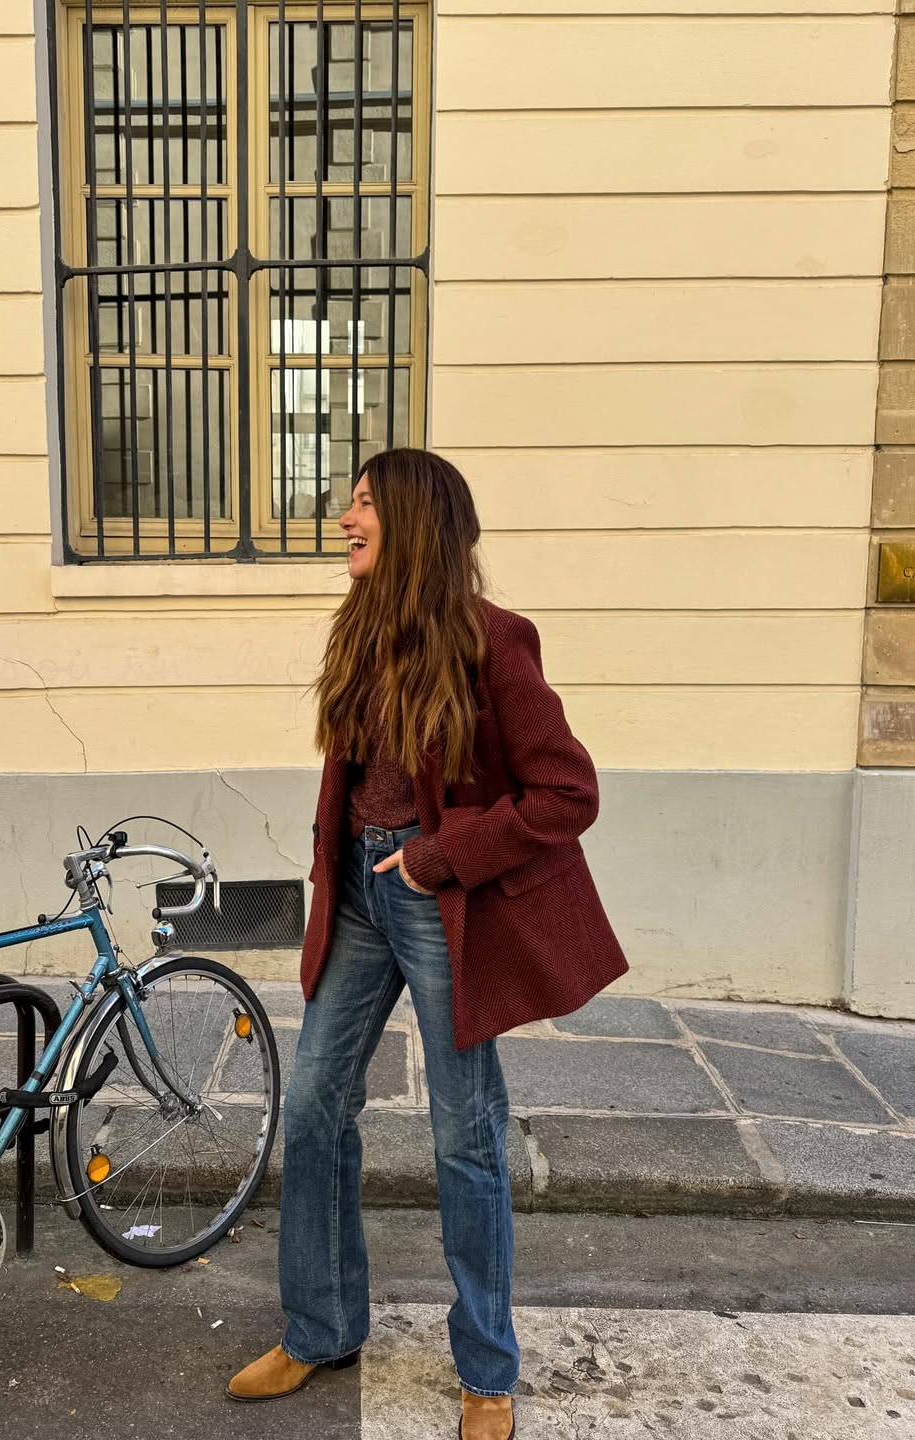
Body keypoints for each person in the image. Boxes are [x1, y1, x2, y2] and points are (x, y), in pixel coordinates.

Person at [225, 448, 628, 1439]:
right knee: (314, 1105)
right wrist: (358, 869)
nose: (344, 519)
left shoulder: (495, 643)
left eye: (362, 504)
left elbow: (567, 791)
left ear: (411, 521)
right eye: (348, 502)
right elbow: (358, 785)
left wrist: (440, 858)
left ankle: (487, 1373)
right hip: (364, 896)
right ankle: (320, 1328)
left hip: (436, 896)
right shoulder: (361, 635)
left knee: (467, 1135)